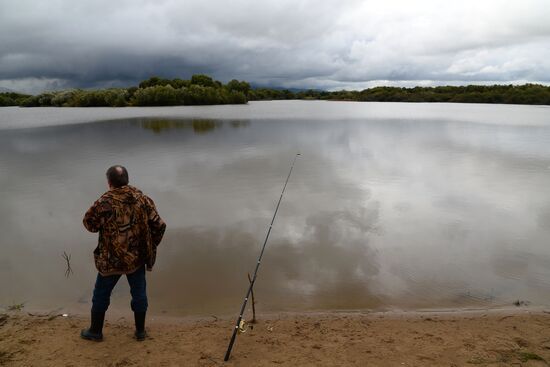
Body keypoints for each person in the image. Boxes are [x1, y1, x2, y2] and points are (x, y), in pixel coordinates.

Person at [81, 165, 166, 342]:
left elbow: (89, 224)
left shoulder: (104, 202)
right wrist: (150, 245)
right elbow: (159, 225)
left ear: (109, 182)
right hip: (136, 259)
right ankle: (140, 332)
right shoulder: (142, 199)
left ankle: (95, 332)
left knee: (101, 295)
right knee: (139, 293)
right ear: (126, 180)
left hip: (111, 260)